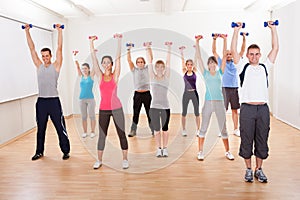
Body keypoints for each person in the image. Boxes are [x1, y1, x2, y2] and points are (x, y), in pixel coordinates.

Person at [231, 22, 279, 183]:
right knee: (246, 140)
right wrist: (236, 31)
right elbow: (233, 50)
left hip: (263, 109)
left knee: (261, 139)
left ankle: (259, 170)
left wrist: (273, 29)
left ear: (260, 55)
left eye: (257, 54)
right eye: (251, 54)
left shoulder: (265, 66)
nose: (254, 57)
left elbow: (275, 48)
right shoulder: (242, 67)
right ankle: (248, 170)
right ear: (247, 55)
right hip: (247, 109)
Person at [23, 23, 70, 160]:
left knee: (60, 128)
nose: (44, 58)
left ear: (50, 56)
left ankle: (66, 151)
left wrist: (59, 31)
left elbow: (60, 49)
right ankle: (39, 151)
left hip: (54, 101)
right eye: (43, 56)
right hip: (41, 102)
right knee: (41, 128)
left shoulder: (56, 66)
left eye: (46, 56)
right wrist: (27, 31)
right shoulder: (39, 66)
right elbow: (32, 49)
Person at [89, 35, 129, 170]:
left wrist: (119, 41)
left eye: (108, 62)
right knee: (102, 135)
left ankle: (125, 159)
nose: (106, 64)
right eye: (104, 62)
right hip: (104, 109)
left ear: (111, 64)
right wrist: (91, 43)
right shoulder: (100, 77)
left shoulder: (115, 76)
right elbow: (94, 60)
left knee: (121, 134)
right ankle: (99, 160)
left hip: (117, 108)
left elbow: (118, 60)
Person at [195, 35, 234, 161]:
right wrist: (197, 42)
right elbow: (199, 58)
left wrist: (225, 40)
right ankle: (200, 152)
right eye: (210, 62)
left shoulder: (220, 72)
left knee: (223, 128)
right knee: (204, 127)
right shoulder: (205, 73)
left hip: (219, 102)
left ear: (216, 64)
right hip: (208, 102)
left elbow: (223, 56)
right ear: (208, 64)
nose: (212, 64)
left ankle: (227, 152)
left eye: (214, 62)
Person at [212, 33, 246, 137]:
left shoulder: (236, 62)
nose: (228, 55)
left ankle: (236, 129)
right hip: (225, 88)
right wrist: (215, 40)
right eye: (226, 54)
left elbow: (242, 50)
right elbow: (214, 51)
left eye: (230, 54)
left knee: (235, 110)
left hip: (234, 88)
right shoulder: (222, 62)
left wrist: (244, 38)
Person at [147, 42, 172, 157]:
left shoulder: (166, 77)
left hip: (165, 107)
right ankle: (158, 149)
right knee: (157, 130)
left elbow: (168, 62)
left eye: (162, 66)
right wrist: (148, 48)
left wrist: (169, 48)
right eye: (158, 66)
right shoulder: (152, 77)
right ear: (155, 68)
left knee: (165, 129)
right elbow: (149, 62)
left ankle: (165, 148)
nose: (160, 68)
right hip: (154, 108)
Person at [126, 42, 153, 137]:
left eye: (142, 62)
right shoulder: (134, 70)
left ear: (144, 63)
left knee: (149, 112)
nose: (140, 63)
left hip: (147, 94)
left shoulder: (147, 69)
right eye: (138, 62)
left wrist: (148, 48)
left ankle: (153, 130)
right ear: (136, 64)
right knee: (136, 113)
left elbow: (151, 58)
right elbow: (129, 61)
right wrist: (128, 50)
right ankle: (133, 130)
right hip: (137, 94)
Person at [73, 51, 96, 138]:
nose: (84, 70)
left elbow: (95, 66)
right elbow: (77, 66)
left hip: (90, 99)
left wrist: (94, 55)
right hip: (81, 99)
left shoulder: (92, 76)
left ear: (89, 69)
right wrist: (74, 57)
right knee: (83, 117)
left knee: (92, 116)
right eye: (83, 69)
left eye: (85, 68)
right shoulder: (81, 76)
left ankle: (93, 131)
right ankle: (85, 132)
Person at [179, 46, 200, 137]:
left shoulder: (194, 71)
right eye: (188, 64)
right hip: (186, 93)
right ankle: (183, 129)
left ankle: (198, 130)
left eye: (191, 64)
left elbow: (196, 60)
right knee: (184, 112)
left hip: (194, 93)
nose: (190, 66)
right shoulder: (184, 71)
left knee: (197, 112)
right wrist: (181, 52)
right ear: (186, 66)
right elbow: (182, 61)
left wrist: (196, 50)